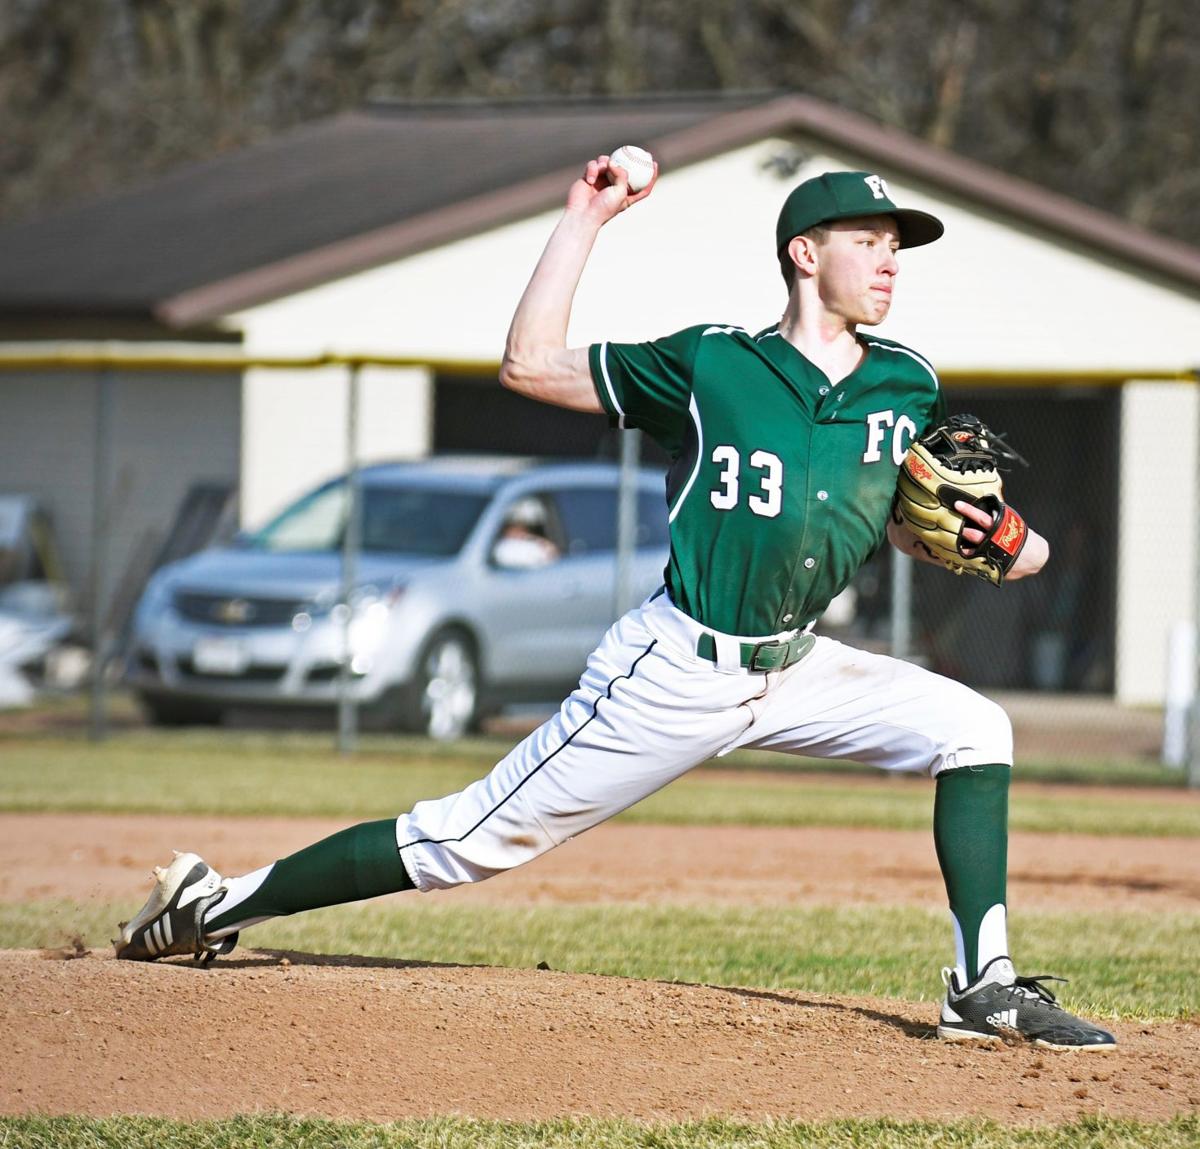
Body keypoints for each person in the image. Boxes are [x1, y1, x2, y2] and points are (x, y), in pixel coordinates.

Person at [115, 159, 1115, 1051]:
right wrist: (582, 221)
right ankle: (215, 902)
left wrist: (1008, 544)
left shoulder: (905, 385)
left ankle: (980, 988)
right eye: (871, 243)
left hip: (799, 664)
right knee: (464, 841)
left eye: (898, 247)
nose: (892, 262)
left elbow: (900, 524)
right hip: (677, 666)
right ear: (805, 254)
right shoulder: (715, 364)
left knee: (973, 727)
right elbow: (527, 367)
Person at [491, 496, 562, 569]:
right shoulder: (503, 547)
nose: (518, 532)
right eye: (513, 526)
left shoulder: (535, 548)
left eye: (523, 527)